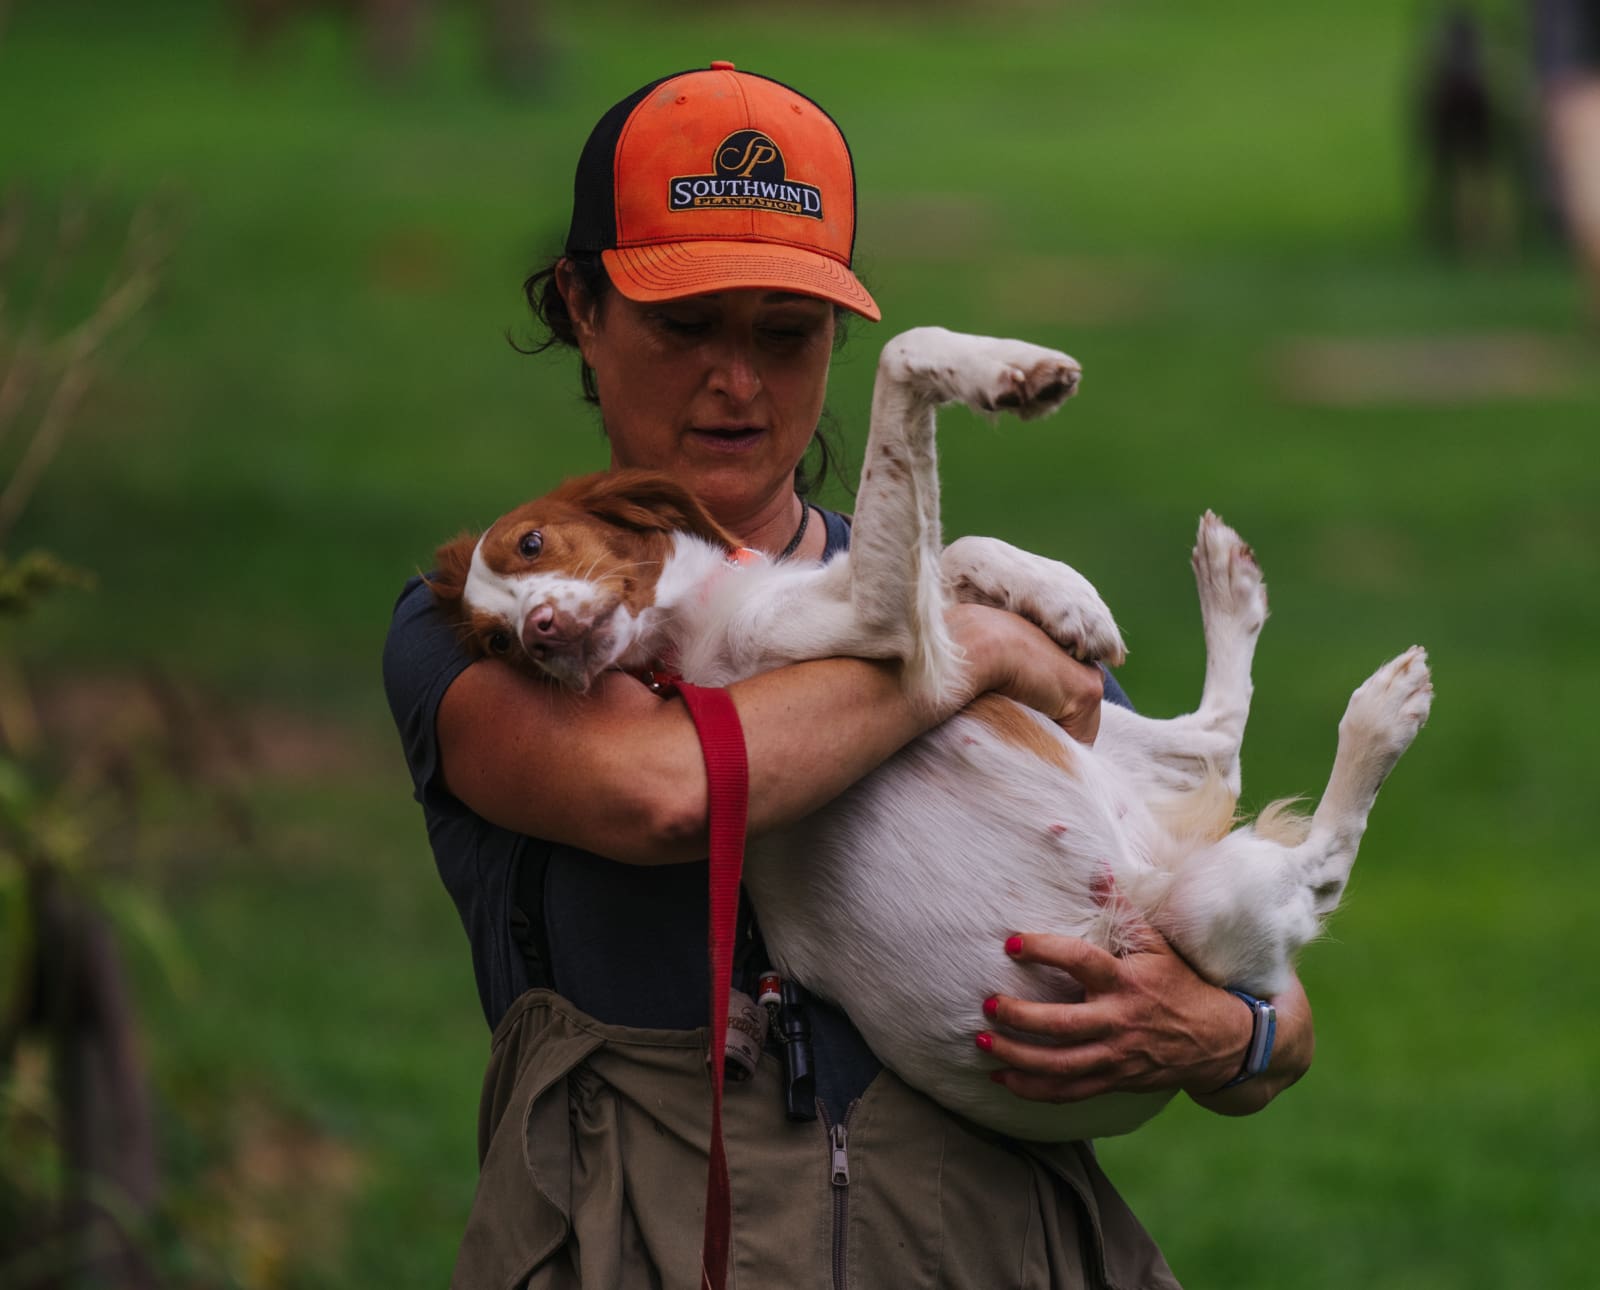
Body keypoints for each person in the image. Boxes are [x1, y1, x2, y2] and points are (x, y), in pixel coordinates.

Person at [384, 62, 1314, 1289]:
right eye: (685, 326)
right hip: (646, 1246)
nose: (737, 380)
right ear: (581, 307)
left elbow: (1272, 1001)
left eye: (785, 333)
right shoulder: (486, 621)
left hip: (986, 1248)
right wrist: (970, 654)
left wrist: (1217, 1033)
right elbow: (665, 791)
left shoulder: (970, 590)